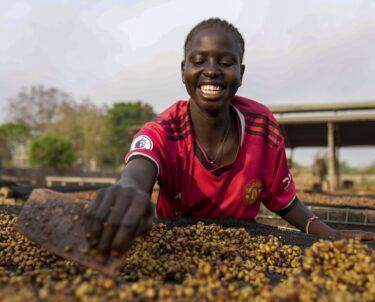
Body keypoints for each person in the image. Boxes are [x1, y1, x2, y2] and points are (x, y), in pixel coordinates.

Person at [85, 18, 375, 260]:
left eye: (225, 62)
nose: (211, 71)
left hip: (244, 251)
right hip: (172, 251)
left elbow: (284, 202)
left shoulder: (263, 128)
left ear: (241, 73)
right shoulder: (164, 129)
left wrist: (328, 233)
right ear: (183, 70)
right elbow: (138, 170)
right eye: (198, 61)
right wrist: (127, 189)